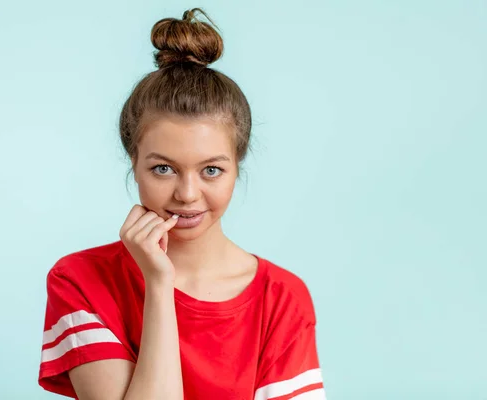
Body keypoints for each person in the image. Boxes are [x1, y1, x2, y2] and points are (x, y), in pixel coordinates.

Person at [38, 8, 326, 400]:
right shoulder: (80, 281)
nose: (187, 194)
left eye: (211, 170)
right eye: (163, 169)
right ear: (134, 165)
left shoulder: (282, 298)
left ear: (236, 168)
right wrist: (159, 285)